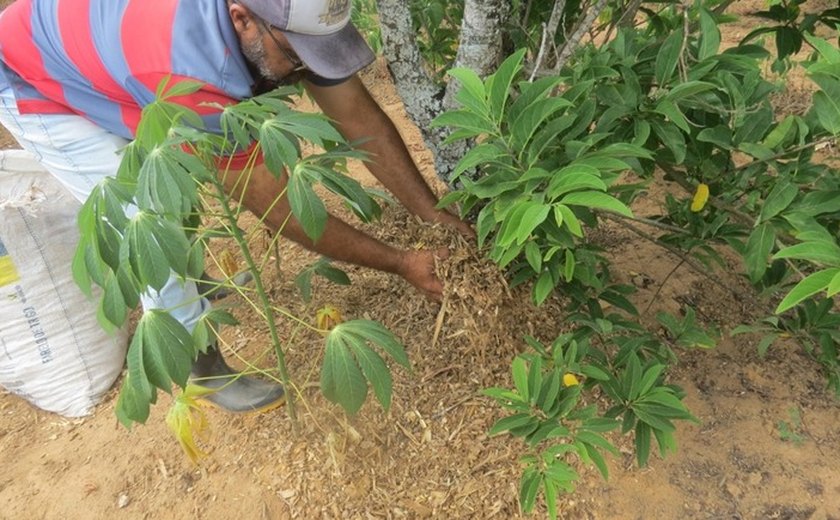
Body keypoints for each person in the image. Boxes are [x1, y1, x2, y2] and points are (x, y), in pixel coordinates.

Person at [0, 0, 472, 413]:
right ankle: (198, 364)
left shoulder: (282, 18)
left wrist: (433, 214)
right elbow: (278, 206)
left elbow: (354, 113)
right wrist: (401, 263)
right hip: (32, 78)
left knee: (172, 177)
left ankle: (200, 287)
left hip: (103, 47)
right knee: (144, 216)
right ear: (242, 19)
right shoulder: (188, 70)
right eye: (296, 57)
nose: (304, 71)